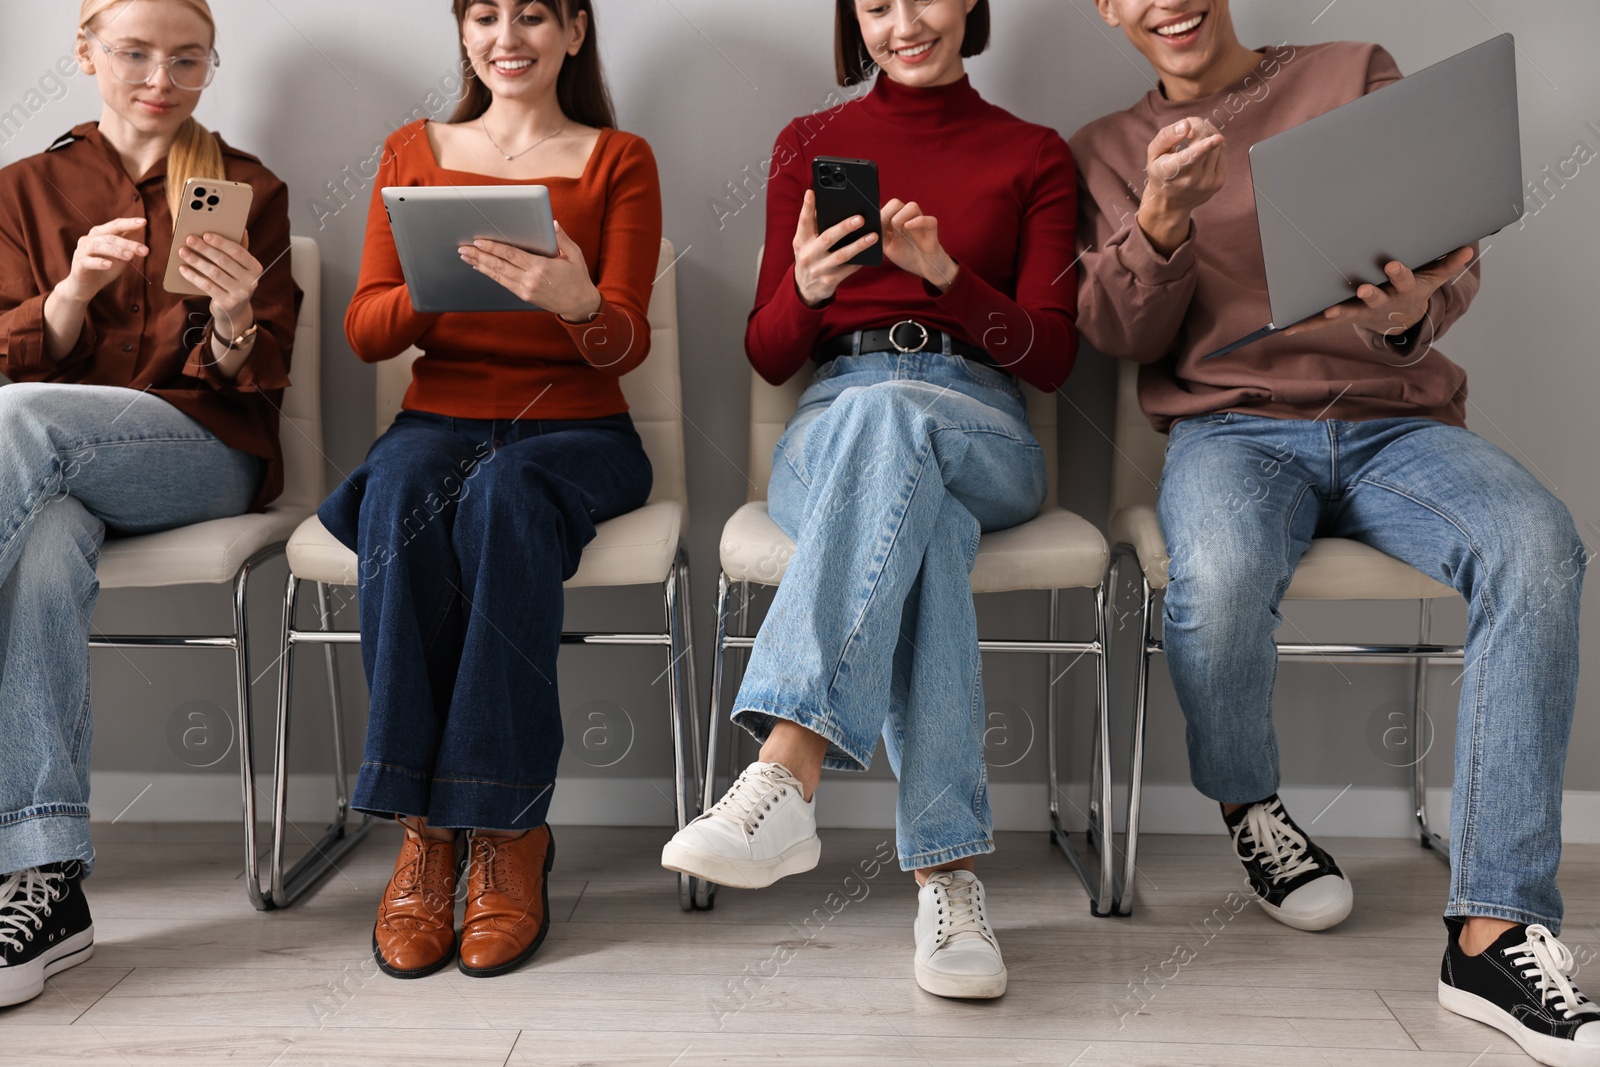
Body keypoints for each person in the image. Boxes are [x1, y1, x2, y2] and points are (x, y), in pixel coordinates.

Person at [1072, 2, 1595, 1061]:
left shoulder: (1354, 72)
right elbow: (1116, 333)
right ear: (1106, 8)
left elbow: (1449, 255)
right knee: (1212, 580)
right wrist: (1163, 220)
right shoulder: (1109, 151)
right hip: (1232, 433)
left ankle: (1492, 929)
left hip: (1395, 421)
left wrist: (1404, 310)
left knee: (1538, 544)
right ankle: (1249, 806)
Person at [662, 0, 1077, 1001]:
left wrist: (948, 277)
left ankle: (788, 762)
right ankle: (947, 877)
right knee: (915, 513)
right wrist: (802, 287)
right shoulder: (809, 144)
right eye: (876, 4)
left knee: (905, 427)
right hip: (832, 424)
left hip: (980, 421)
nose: (902, 22)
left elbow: (1052, 356)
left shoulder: (1035, 154)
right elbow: (768, 353)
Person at [322, 0, 660, 980]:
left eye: (531, 16)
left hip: (577, 429)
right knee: (398, 490)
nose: (506, 36)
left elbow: (624, 339)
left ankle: (508, 827)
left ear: (574, 31)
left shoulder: (617, 157)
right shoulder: (410, 150)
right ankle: (427, 831)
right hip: (437, 418)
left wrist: (580, 303)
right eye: (483, 16)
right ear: (463, 33)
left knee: (505, 492)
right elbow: (366, 330)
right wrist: (436, 278)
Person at [0, 0, 297, 1008]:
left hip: (198, 457)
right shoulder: (23, 189)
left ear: (212, 66)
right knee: (39, 544)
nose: (159, 76)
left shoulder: (242, 186)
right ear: (87, 55)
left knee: (20, 419)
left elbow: (260, 380)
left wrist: (233, 320)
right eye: (134, 52)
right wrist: (67, 301)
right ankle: (44, 878)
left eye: (186, 57)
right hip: (48, 474)